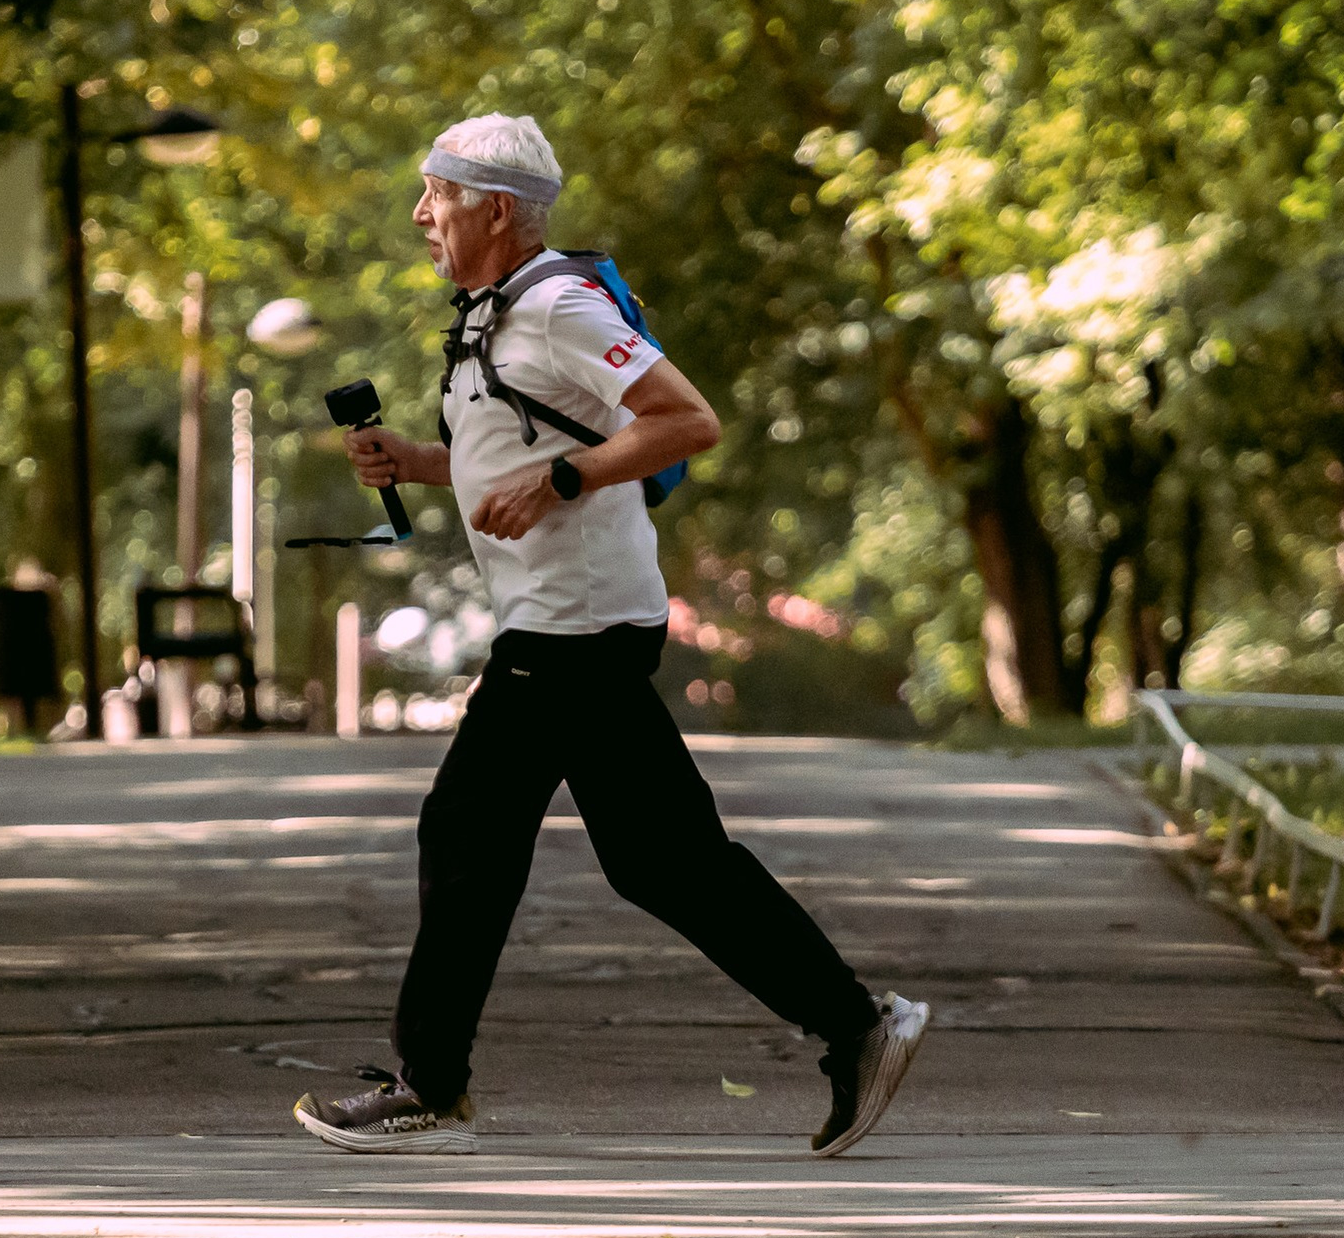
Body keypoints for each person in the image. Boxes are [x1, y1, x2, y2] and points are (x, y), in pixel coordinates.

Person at [291, 113, 927, 1158]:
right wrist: (417, 459)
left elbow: (686, 420)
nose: (420, 214)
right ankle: (858, 1024)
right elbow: (530, 443)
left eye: (435, 194)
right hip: (578, 623)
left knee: (466, 835)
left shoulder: (557, 305)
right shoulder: (498, 313)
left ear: (494, 209)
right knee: (664, 861)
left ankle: (430, 1083)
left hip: (568, 630)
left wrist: (562, 479)